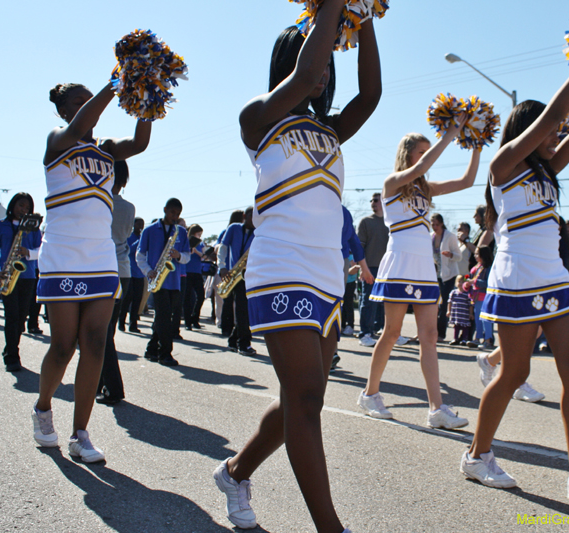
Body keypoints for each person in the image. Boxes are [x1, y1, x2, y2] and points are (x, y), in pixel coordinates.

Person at [212, 6, 381, 532]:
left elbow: (371, 95)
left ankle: (236, 471)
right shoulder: (257, 118)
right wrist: (334, 8)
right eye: (321, 50)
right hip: (281, 265)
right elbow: (307, 76)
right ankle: (331, 527)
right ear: (292, 55)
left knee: (301, 398)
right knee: (306, 398)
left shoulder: (330, 128)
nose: (326, 67)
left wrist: (367, 14)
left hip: (327, 275)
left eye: (333, 54)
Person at [461, 60, 569, 507]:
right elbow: (556, 117)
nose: (557, 136)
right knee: (515, 371)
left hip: (554, 277)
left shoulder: (547, 171)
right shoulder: (503, 165)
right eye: (549, 132)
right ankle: (477, 456)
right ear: (529, 131)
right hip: (517, 278)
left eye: (555, 134)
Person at [33, 80, 151, 463]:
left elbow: (140, 143)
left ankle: (80, 433)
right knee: (64, 345)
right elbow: (83, 121)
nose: (90, 108)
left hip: (100, 257)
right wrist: (116, 83)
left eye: (90, 100)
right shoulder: (57, 140)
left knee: (96, 343)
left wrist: (149, 100)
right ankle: (44, 407)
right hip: (64, 255)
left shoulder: (106, 151)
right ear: (64, 111)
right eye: (79, 103)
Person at [358, 125, 480, 429]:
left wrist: (476, 145)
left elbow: (467, 181)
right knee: (391, 332)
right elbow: (423, 167)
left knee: (430, 335)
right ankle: (370, 394)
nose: (426, 158)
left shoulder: (426, 189)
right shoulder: (392, 183)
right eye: (422, 151)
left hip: (424, 266)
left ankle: (436, 408)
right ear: (408, 154)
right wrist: (451, 133)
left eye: (427, 152)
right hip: (400, 262)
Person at [0, 193, 42, 372]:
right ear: (12, 206)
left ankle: (10, 348)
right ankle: (12, 356)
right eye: (21, 206)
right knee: (11, 316)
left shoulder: (33, 227)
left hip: (27, 277)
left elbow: (40, 252)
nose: (23, 210)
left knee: (21, 317)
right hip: (8, 275)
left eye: (27, 208)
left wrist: (28, 252)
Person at [96, 161, 135, 405]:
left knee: (99, 332)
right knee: (106, 330)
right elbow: (127, 233)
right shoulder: (129, 207)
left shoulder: (97, 202)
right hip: (123, 271)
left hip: (102, 270)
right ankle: (99, 382)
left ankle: (113, 386)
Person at [137, 199, 190, 366]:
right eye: (172, 213)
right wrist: (148, 271)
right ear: (165, 210)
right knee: (164, 317)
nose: (175, 217)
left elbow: (187, 257)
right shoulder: (149, 230)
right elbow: (140, 256)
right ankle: (165, 353)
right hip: (157, 280)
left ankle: (151, 349)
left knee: (163, 317)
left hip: (174, 281)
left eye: (178, 214)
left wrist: (179, 256)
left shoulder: (180, 232)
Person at [218, 206, 256, 355]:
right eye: (252, 216)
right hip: (234, 274)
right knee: (242, 310)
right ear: (244, 216)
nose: (255, 220)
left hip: (249, 276)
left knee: (244, 310)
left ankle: (234, 340)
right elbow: (223, 247)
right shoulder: (234, 228)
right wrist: (222, 267)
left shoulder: (257, 234)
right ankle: (244, 343)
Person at [357, 192, 388, 347]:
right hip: (370, 268)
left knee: (387, 303)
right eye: (372, 200)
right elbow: (359, 247)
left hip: (388, 269)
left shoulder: (391, 223)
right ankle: (365, 334)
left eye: (376, 200)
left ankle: (385, 331)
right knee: (368, 301)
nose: (373, 202)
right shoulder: (365, 222)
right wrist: (363, 269)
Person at [340, 204, 373, 336]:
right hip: (333, 260)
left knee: (339, 302)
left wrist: (364, 268)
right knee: (335, 302)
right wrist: (365, 268)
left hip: (336, 260)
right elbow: (354, 241)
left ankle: (331, 348)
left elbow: (354, 241)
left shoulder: (342, 212)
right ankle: (331, 348)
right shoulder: (342, 211)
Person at [432, 213, 462, 342]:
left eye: (437, 224)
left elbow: (459, 256)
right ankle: (432, 331)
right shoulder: (430, 237)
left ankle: (441, 334)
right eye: (432, 224)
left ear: (442, 224)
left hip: (449, 275)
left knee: (444, 305)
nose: (434, 227)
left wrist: (450, 255)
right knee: (433, 305)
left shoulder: (450, 236)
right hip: (435, 275)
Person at [217, 210, 245, 331]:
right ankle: (225, 326)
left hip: (241, 271)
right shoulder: (229, 230)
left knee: (239, 304)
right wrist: (222, 267)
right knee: (227, 299)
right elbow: (219, 247)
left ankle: (235, 330)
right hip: (229, 270)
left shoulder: (252, 232)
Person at [119, 217, 145, 332]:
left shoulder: (143, 238)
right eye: (139, 224)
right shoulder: (129, 237)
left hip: (140, 273)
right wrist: (139, 242)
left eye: (142, 225)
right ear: (134, 225)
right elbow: (129, 250)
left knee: (137, 300)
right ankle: (121, 322)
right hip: (130, 272)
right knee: (127, 299)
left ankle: (133, 324)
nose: (140, 227)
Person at [466, 246, 494, 349]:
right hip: (476, 296)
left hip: (484, 296)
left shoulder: (488, 268)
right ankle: (477, 338)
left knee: (485, 319)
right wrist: (467, 284)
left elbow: (489, 283)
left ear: (483, 255)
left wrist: (475, 282)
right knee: (478, 319)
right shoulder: (477, 267)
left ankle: (487, 340)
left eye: (477, 254)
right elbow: (471, 278)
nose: (475, 255)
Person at [184, 224, 206, 330]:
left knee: (201, 296)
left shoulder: (200, 244)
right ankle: (188, 322)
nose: (199, 236)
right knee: (187, 298)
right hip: (187, 272)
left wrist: (197, 251)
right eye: (198, 234)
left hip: (197, 272)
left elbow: (203, 256)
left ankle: (195, 318)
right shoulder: (186, 242)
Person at [466, 205, 495, 270]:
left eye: (476, 214)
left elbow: (479, 251)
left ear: (482, 215)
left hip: (484, 268)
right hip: (476, 266)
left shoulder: (488, 230)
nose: (474, 217)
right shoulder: (481, 229)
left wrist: (465, 240)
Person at [447, 275, 472, 345]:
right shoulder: (453, 292)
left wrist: (471, 313)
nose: (460, 283)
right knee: (456, 327)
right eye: (459, 282)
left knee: (465, 327)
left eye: (462, 282)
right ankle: (455, 338)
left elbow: (470, 304)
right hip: (456, 313)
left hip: (464, 313)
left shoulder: (467, 294)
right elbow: (449, 302)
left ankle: (464, 339)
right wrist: (448, 311)